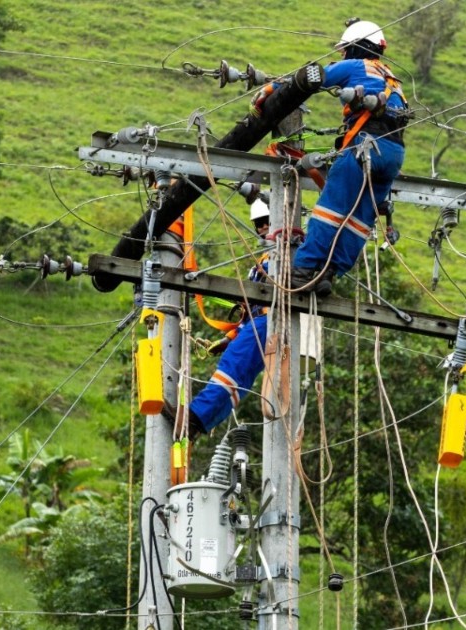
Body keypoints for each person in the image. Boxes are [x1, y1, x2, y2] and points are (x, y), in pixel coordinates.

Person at [288, 18, 408, 297]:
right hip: (392, 156)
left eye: (344, 49)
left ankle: (303, 270)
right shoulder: (394, 81)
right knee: (360, 220)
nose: (341, 54)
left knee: (330, 210)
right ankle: (328, 274)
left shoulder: (357, 66)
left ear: (356, 48)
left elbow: (313, 79)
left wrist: (272, 89)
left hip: (363, 148)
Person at [178, 199, 273, 437]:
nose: (262, 229)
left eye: (266, 222)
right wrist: (229, 338)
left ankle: (196, 416)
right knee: (237, 380)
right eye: (258, 224)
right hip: (258, 323)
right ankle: (200, 423)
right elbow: (249, 312)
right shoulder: (264, 259)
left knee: (232, 369)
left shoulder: (285, 254)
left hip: (267, 321)